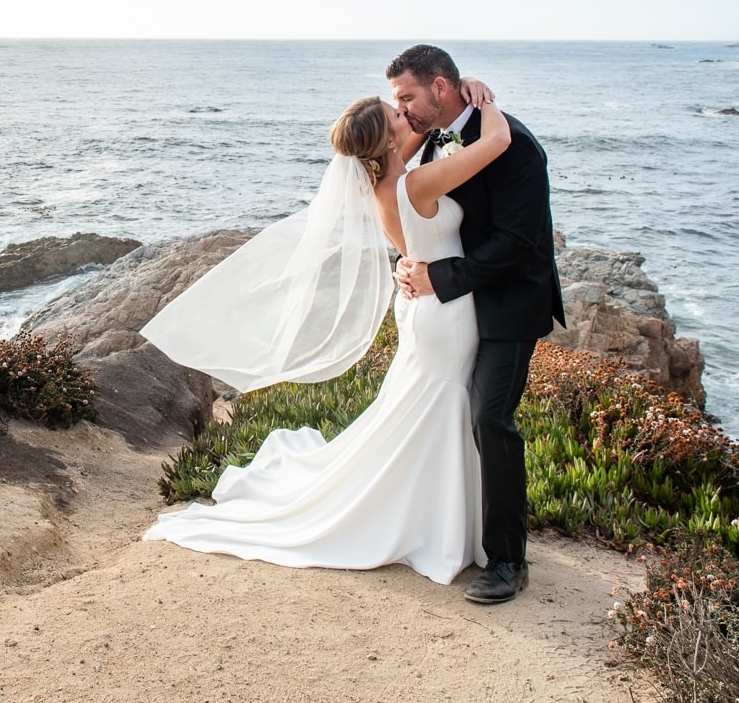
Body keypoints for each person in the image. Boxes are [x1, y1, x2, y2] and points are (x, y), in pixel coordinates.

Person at [141, 75, 514, 587]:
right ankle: (441, 529)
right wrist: (486, 99)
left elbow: (408, 147)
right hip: (444, 314)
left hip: (427, 305)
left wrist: (446, 98)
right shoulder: (415, 183)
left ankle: (445, 522)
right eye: (397, 113)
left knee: (422, 408)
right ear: (386, 137)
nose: (407, 115)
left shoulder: (384, 180)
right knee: (440, 409)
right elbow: (497, 142)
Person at [388, 45, 565, 604]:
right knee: (452, 413)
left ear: (440, 88)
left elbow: (518, 243)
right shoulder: (440, 135)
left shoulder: (515, 148)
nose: (403, 108)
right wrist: (411, 260)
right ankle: (457, 532)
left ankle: (509, 560)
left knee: (490, 418)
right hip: (458, 307)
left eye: (407, 97)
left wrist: (439, 277)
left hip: (510, 303)